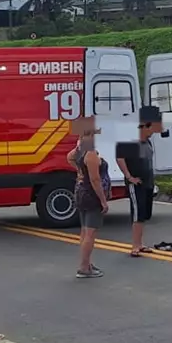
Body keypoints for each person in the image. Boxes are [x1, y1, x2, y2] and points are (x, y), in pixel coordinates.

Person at [115, 105, 163, 258]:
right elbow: (119, 156)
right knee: (137, 213)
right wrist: (129, 176)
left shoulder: (147, 142)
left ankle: (140, 243)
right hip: (136, 183)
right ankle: (135, 245)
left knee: (144, 213)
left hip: (148, 182)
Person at [66, 119, 112, 279]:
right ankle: (84, 267)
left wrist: (79, 171)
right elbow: (95, 180)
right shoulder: (91, 153)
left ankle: (86, 263)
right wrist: (103, 201)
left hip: (80, 192)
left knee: (84, 231)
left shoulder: (80, 149)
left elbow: (69, 157)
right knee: (91, 233)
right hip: (91, 195)